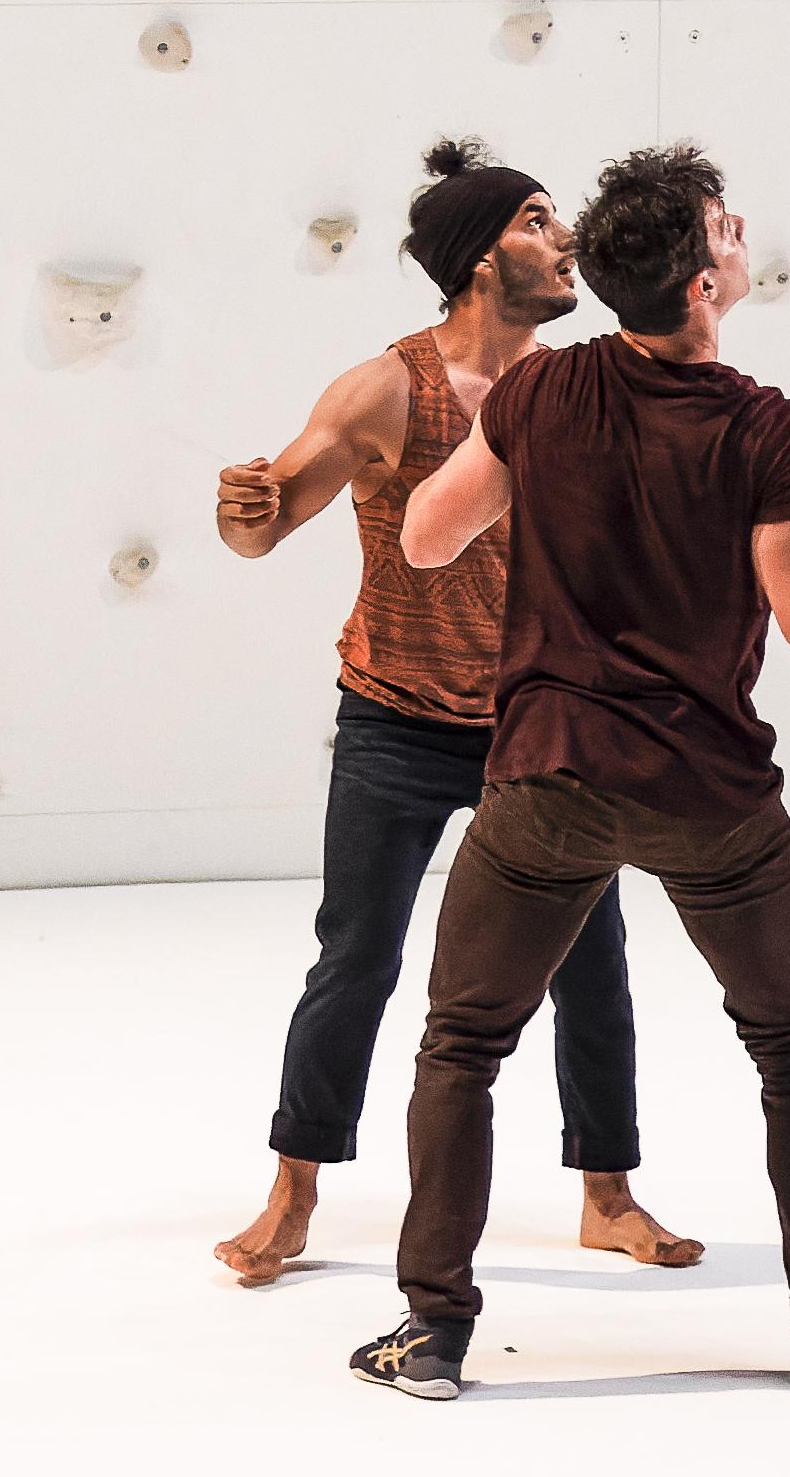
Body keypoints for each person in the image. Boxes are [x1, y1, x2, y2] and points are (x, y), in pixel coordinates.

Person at [346, 146, 790, 1399]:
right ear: (699, 289)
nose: (742, 236)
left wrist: (563, 502)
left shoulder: (539, 395)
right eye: (728, 229)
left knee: (461, 1046)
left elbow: (424, 533)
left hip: (546, 785)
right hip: (709, 800)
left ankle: (436, 1335)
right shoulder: (766, 431)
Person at [206, 143, 694, 1289]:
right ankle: (293, 1193)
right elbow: (261, 528)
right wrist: (239, 508)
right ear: (483, 259)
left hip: (539, 728)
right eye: (538, 220)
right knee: (358, 958)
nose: (564, 238)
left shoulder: (574, 385)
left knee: (591, 960)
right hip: (394, 722)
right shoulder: (389, 390)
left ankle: (608, 1196)